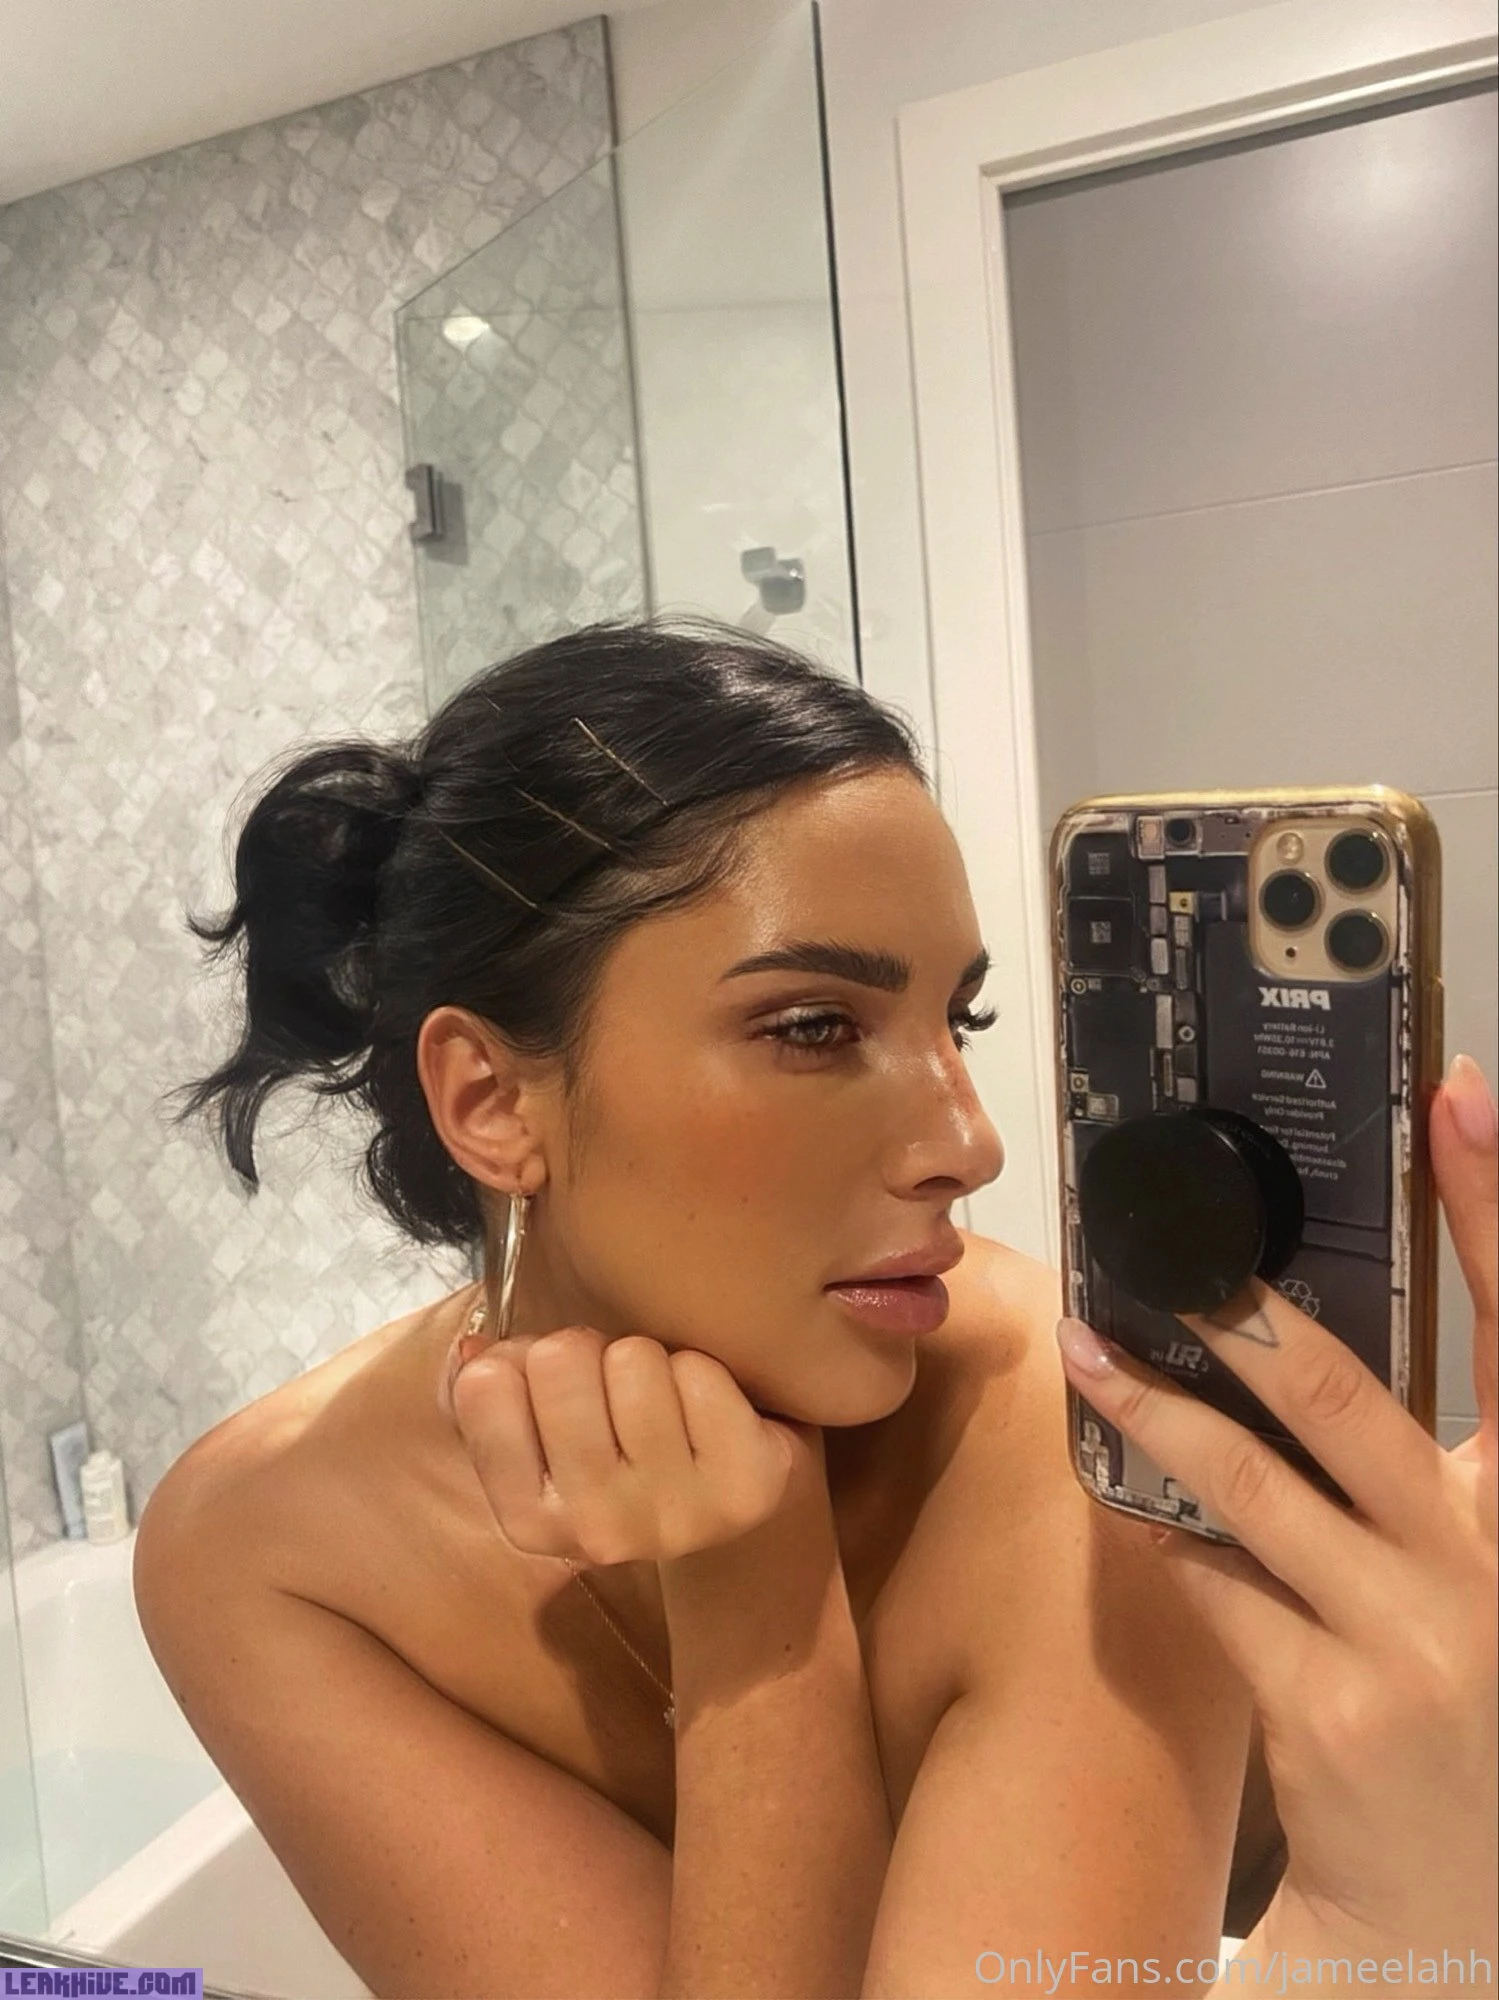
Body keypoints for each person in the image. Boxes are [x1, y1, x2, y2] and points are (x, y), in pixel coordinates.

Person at [133, 620, 1496, 2000]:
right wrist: (755, 1614)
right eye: (813, 1028)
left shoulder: (1072, 1442)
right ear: (489, 1100)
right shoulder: (265, 1549)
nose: (971, 1147)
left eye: (958, 1022)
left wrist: (757, 1604)